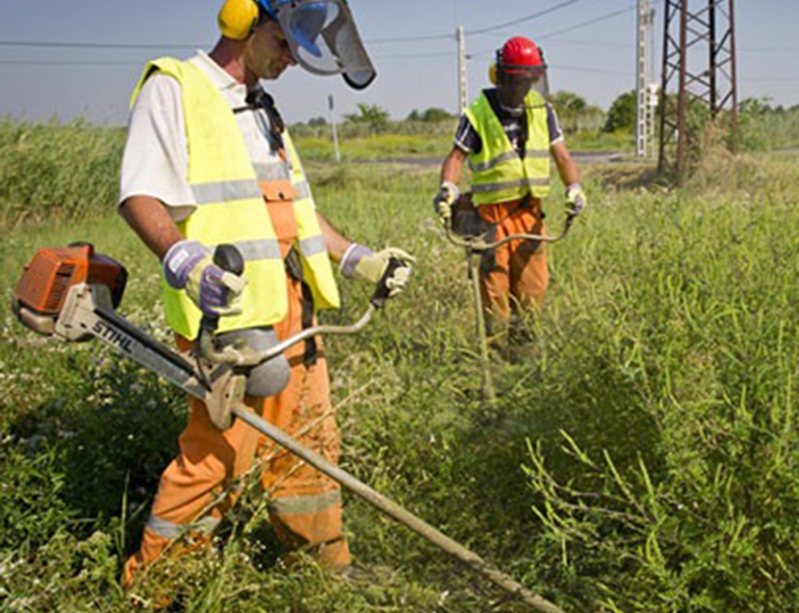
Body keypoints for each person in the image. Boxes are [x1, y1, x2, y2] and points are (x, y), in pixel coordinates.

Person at [117, 0, 411, 584]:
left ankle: (325, 572)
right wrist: (183, 257)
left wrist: (357, 258)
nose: (290, 61)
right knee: (219, 458)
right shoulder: (176, 88)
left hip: (293, 309)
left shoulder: (262, 110)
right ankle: (152, 588)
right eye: (283, 43)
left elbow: (298, 214)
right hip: (232, 319)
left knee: (309, 444)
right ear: (243, 20)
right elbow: (140, 195)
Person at [433, 36, 586, 351]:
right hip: (489, 220)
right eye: (518, 80)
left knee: (532, 291)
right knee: (495, 294)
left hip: (529, 217)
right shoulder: (478, 113)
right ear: (501, 76)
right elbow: (456, 158)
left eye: (530, 80)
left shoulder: (543, 111)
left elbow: (563, 157)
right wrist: (448, 188)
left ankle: (525, 354)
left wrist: (574, 188)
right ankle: (497, 356)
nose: (524, 88)